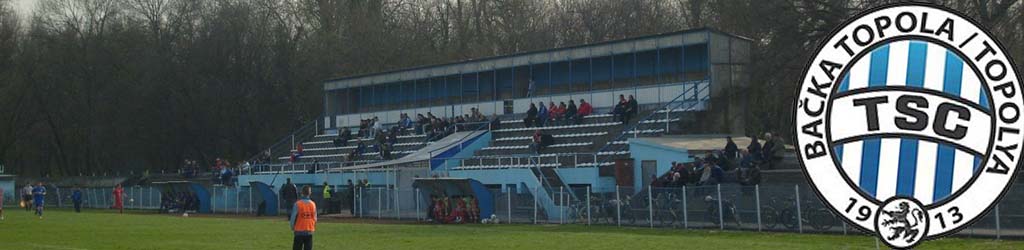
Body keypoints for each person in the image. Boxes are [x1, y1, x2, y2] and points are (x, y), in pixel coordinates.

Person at [290, 185, 317, 250]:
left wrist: (292, 227)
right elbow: (315, 218)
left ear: (302, 193)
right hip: (309, 230)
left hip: (299, 230)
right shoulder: (313, 204)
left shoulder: (297, 204)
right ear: (310, 193)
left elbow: (293, 218)